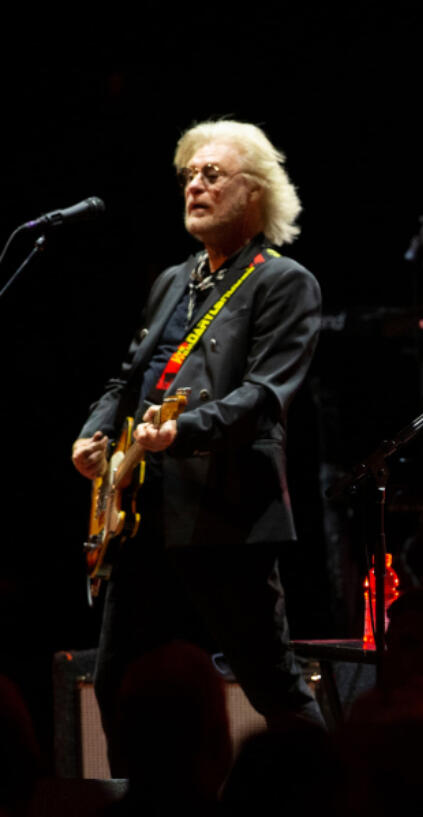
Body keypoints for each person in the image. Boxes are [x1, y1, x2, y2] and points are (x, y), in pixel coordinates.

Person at [71, 120, 323, 772]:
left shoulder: (284, 281)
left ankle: (328, 794)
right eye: (189, 173)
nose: (195, 184)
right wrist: (93, 432)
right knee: (116, 680)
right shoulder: (171, 281)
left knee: (273, 684)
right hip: (143, 511)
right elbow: (124, 380)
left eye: (213, 174)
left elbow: (266, 395)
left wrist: (186, 429)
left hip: (227, 511)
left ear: (257, 192)